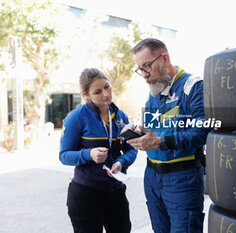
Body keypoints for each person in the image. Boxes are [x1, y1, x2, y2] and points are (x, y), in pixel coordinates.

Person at [128, 38, 210, 233]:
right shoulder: (153, 91)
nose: (144, 74)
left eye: (147, 66)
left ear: (164, 59)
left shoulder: (194, 87)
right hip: (152, 179)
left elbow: (202, 131)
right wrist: (139, 133)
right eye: (140, 69)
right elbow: (152, 130)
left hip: (182, 179)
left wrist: (160, 142)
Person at [59, 68, 137, 233]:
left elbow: (132, 149)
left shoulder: (120, 116)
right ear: (87, 95)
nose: (106, 94)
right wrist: (89, 154)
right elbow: (64, 156)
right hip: (86, 195)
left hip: (116, 192)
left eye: (107, 87)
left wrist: (121, 162)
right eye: (98, 92)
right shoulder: (76, 117)